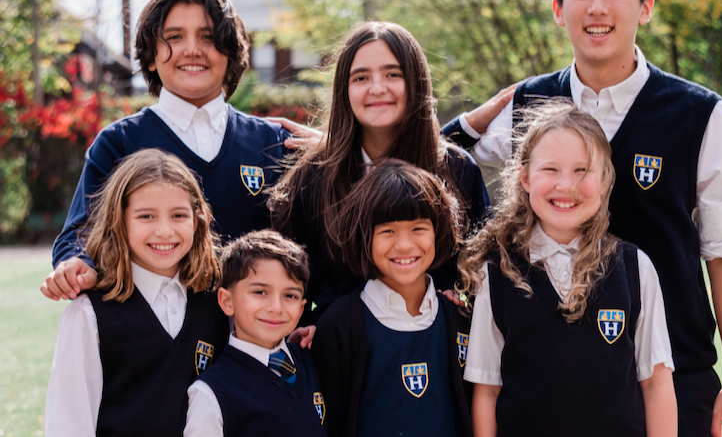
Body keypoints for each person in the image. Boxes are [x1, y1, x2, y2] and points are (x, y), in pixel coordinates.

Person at [442, 0, 722, 437]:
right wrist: (472, 119)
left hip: (671, 378)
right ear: (559, 10)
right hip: (550, 387)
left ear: (646, 8)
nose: (598, 8)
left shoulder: (702, 115)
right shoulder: (529, 104)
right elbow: (436, 160)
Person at [42, 0, 312, 303]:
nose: (191, 49)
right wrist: (76, 264)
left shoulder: (276, 144)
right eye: (174, 37)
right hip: (157, 347)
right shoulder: (119, 143)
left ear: (231, 52)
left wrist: (334, 147)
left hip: (254, 346)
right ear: (152, 57)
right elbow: (78, 235)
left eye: (208, 37)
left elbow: (313, 249)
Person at [459, 100, 676, 437]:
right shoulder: (497, 273)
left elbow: (656, 384)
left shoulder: (635, 269)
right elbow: (487, 390)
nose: (566, 185)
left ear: (604, 181)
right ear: (525, 177)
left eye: (581, 170)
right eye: (550, 169)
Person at [271, 21, 490, 323]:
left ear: (416, 81)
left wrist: (461, 300)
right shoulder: (314, 175)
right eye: (361, 77)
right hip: (341, 357)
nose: (377, 88)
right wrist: (309, 328)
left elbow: (483, 272)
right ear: (344, 89)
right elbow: (289, 277)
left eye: (392, 74)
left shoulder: (456, 169)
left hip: (434, 353)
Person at [45, 149, 229, 437]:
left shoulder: (218, 302)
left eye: (178, 215)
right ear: (120, 220)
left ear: (197, 220)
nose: (165, 231)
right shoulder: (89, 313)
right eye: (146, 216)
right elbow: (69, 425)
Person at [312, 159, 473, 437]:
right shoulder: (340, 326)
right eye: (387, 231)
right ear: (365, 236)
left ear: (439, 230)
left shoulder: (459, 318)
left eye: (418, 228)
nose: (404, 245)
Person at [184, 229, 327, 437]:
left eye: (290, 295)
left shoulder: (309, 359)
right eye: (260, 292)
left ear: (301, 310)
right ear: (227, 301)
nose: (276, 307)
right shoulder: (212, 393)